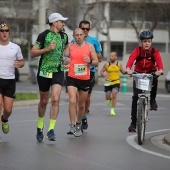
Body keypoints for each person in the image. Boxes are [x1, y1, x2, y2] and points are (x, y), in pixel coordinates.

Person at [30, 13, 69, 142]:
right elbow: (33, 52)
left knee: (56, 99)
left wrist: (67, 58)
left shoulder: (64, 36)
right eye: (61, 21)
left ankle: (51, 130)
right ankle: (40, 126)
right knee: (44, 101)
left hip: (58, 71)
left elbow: (67, 47)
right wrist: (47, 49)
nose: (63, 23)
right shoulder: (44, 35)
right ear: (54, 23)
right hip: (44, 71)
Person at [126, 30, 164, 132]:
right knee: (135, 97)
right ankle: (133, 123)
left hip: (151, 73)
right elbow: (131, 59)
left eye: (148, 41)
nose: (146, 43)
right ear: (141, 42)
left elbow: (159, 61)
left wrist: (160, 70)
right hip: (138, 73)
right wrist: (128, 68)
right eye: (144, 41)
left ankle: (152, 100)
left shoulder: (154, 52)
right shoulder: (137, 50)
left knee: (155, 79)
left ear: (151, 42)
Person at [66, 28, 99, 137]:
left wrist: (89, 60)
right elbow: (64, 58)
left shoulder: (89, 46)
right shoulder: (70, 46)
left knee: (81, 105)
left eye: (81, 35)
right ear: (73, 36)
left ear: (84, 35)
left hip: (85, 78)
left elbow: (96, 62)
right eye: (77, 35)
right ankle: (71, 125)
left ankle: (78, 123)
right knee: (72, 100)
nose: (79, 37)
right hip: (72, 77)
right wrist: (66, 62)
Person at [72, 20, 102, 130]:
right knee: (76, 97)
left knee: (87, 97)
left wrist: (92, 58)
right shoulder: (73, 40)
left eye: (87, 29)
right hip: (75, 72)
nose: (85, 31)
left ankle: (84, 116)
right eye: (83, 28)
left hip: (90, 71)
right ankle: (78, 120)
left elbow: (99, 58)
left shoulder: (94, 41)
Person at [0, 22, 25, 134]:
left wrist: (20, 64)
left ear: (9, 33)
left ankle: (4, 119)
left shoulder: (15, 47)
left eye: (6, 31)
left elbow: (22, 61)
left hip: (10, 80)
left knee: (8, 109)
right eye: (2, 31)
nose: (4, 33)